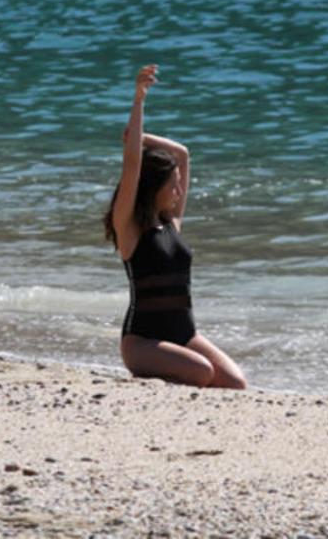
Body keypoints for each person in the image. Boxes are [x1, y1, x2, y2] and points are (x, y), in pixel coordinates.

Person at [103, 65, 247, 389]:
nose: (180, 192)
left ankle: (177, 366)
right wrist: (138, 100)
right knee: (201, 373)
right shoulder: (131, 230)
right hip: (142, 342)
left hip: (184, 334)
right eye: (174, 185)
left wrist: (136, 137)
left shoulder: (172, 224)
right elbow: (132, 167)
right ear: (153, 188)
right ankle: (156, 375)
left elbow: (182, 154)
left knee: (236, 383)